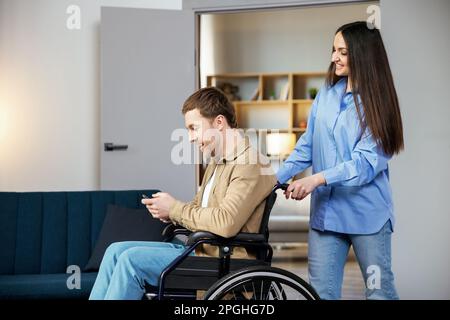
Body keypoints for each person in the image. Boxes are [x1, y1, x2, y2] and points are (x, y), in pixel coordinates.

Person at [89, 87, 276, 300]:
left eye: (194, 128)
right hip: (202, 249)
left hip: (222, 257)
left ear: (219, 123)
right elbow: (198, 208)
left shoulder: (249, 163)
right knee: (115, 251)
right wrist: (170, 212)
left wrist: (176, 209)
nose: (190, 138)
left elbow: (226, 222)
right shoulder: (217, 162)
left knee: (129, 260)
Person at [276, 21, 404, 300]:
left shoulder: (379, 103)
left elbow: (364, 164)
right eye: (334, 50)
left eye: (343, 52)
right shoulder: (326, 94)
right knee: (320, 294)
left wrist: (316, 179)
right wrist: (274, 177)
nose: (334, 57)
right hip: (327, 216)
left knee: (379, 292)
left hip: (367, 216)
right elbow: (307, 145)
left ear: (363, 54)